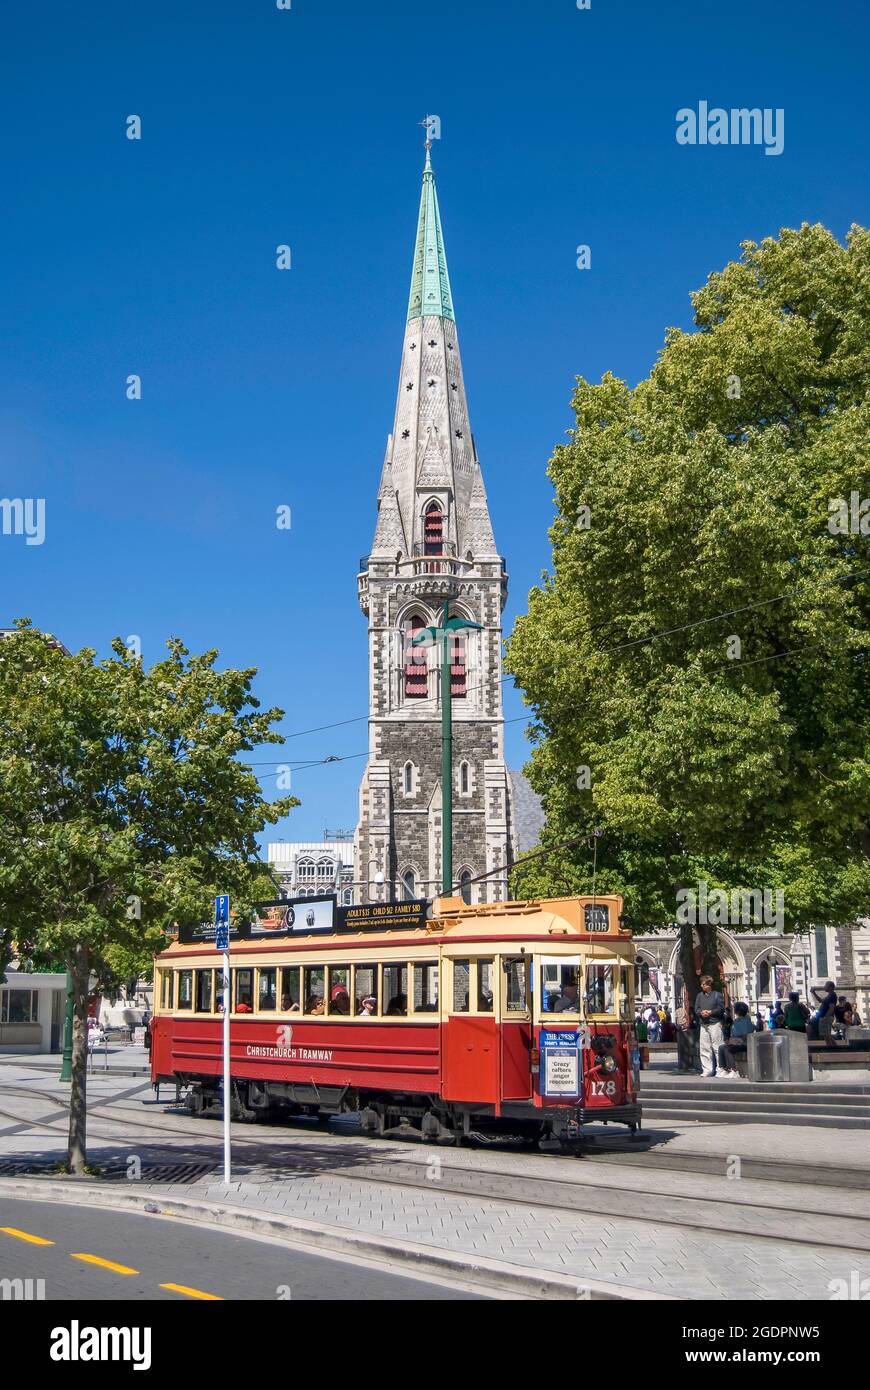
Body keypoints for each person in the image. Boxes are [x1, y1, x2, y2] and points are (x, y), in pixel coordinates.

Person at [693, 975, 726, 1077]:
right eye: (701, 984)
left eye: (704, 984)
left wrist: (711, 1012)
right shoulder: (699, 996)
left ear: (709, 984)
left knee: (717, 1047)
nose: (702, 986)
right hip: (704, 1024)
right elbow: (696, 1009)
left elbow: (721, 1009)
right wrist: (701, 1013)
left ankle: (720, 1069)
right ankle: (707, 1069)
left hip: (715, 1023)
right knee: (704, 1048)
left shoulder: (717, 995)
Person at [717, 1001, 754, 1076]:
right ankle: (723, 1068)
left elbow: (744, 1036)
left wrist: (732, 1041)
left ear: (738, 1011)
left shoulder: (746, 1020)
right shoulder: (736, 1021)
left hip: (744, 1044)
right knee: (721, 1047)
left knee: (728, 1049)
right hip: (737, 1042)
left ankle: (734, 1070)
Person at [810, 980, 838, 1048]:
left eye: (826, 985)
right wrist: (814, 993)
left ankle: (831, 1048)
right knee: (826, 1035)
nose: (824, 987)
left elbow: (831, 1008)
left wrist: (825, 1017)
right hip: (826, 1017)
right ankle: (834, 1047)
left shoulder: (832, 996)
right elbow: (820, 1001)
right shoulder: (829, 996)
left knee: (826, 1035)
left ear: (830, 987)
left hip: (827, 1017)